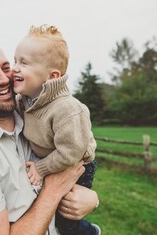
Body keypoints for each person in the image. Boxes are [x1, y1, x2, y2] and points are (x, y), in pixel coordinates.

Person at [0, 28, 99, 235]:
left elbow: (75, 154)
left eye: (6, 67)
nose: (4, 79)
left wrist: (91, 200)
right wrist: (54, 190)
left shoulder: (31, 118)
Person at [12, 25, 100, 235]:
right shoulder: (27, 100)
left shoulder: (67, 109)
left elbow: (70, 154)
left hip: (77, 164)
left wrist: (41, 168)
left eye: (23, 63)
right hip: (54, 158)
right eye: (15, 60)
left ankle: (90, 232)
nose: (14, 67)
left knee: (65, 219)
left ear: (51, 76)